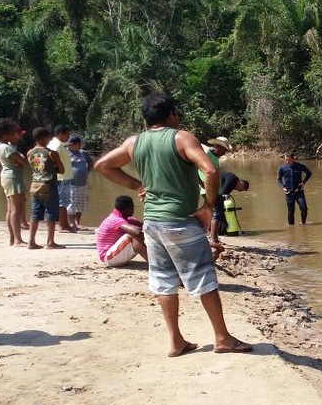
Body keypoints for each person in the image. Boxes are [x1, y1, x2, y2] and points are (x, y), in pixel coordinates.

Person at [94, 93, 252, 357]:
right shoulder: (181, 137)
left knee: (163, 281)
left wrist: (136, 185)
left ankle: (176, 341)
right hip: (181, 221)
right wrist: (208, 207)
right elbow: (211, 171)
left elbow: (103, 165)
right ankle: (222, 338)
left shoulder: (134, 142)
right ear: (171, 114)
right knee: (204, 278)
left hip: (153, 223)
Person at [0, 118, 29, 247]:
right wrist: (22, 160)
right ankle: (18, 240)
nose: (15, 133)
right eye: (12, 131)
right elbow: (24, 162)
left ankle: (13, 239)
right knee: (16, 210)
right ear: (4, 134)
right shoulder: (7, 148)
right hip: (13, 178)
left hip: (6, 176)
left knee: (10, 210)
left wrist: (18, 162)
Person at [27, 127, 65, 250]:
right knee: (51, 213)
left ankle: (31, 242)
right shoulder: (51, 153)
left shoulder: (29, 153)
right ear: (44, 138)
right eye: (48, 137)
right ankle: (50, 242)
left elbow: (35, 169)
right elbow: (62, 170)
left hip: (35, 185)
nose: (49, 140)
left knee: (35, 214)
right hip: (49, 184)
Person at [96, 195, 147, 267]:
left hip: (115, 256)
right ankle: (155, 263)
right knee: (133, 236)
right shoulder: (114, 219)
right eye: (132, 208)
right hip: (108, 258)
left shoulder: (125, 219)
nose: (133, 210)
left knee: (143, 233)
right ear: (127, 209)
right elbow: (137, 231)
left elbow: (146, 225)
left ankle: (156, 259)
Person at [48, 125, 75, 232]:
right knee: (62, 203)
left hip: (63, 177)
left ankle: (64, 224)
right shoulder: (57, 146)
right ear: (60, 134)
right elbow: (50, 157)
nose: (68, 136)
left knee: (63, 202)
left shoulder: (57, 144)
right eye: (67, 134)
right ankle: (63, 226)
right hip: (61, 178)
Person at [211, 171, 249, 243]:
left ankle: (217, 231)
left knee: (217, 213)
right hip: (210, 189)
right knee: (218, 213)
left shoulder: (232, 182)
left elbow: (224, 194)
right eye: (241, 189)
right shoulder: (233, 179)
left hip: (211, 189)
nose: (239, 191)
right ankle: (216, 234)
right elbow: (223, 193)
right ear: (241, 183)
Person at [276, 152, 311, 225]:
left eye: (288, 160)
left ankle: (303, 223)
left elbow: (309, 173)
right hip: (288, 192)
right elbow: (278, 179)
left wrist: (303, 182)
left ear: (293, 158)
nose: (287, 161)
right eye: (285, 160)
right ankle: (291, 228)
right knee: (290, 212)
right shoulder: (282, 168)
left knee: (304, 209)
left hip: (299, 191)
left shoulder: (299, 166)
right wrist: (283, 188)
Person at [66, 135, 92, 231]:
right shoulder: (66, 153)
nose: (79, 146)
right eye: (78, 144)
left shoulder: (83, 153)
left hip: (83, 183)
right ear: (71, 145)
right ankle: (71, 223)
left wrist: (86, 171)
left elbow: (90, 162)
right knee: (71, 204)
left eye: (80, 144)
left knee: (80, 205)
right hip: (71, 183)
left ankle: (77, 223)